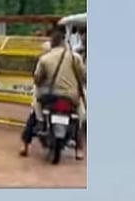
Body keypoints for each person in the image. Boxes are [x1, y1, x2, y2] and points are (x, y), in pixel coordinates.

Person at [26, 26, 86, 159]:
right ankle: (79, 149)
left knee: (35, 106)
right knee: (79, 116)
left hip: (49, 96)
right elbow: (83, 76)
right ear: (64, 42)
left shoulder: (45, 59)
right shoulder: (75, 57)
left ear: (52, 43)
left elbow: (37, 79)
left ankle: (38, 125)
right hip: (71, 97)